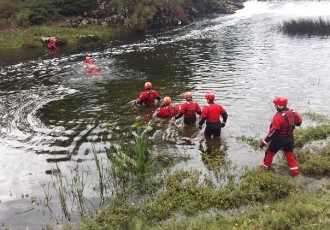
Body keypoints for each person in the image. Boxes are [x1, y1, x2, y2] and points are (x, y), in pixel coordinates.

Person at [259, 96, 302, 176]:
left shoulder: (278, 117)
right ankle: (295, 173)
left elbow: (274, 132)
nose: (275, 106)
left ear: (280, 106)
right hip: (289, 139)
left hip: (278, 140)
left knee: (269, 153)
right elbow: (299, 123)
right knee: (289, 155)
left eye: (275, 104)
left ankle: (265, 168)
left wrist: (264, 142)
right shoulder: (294, 112)